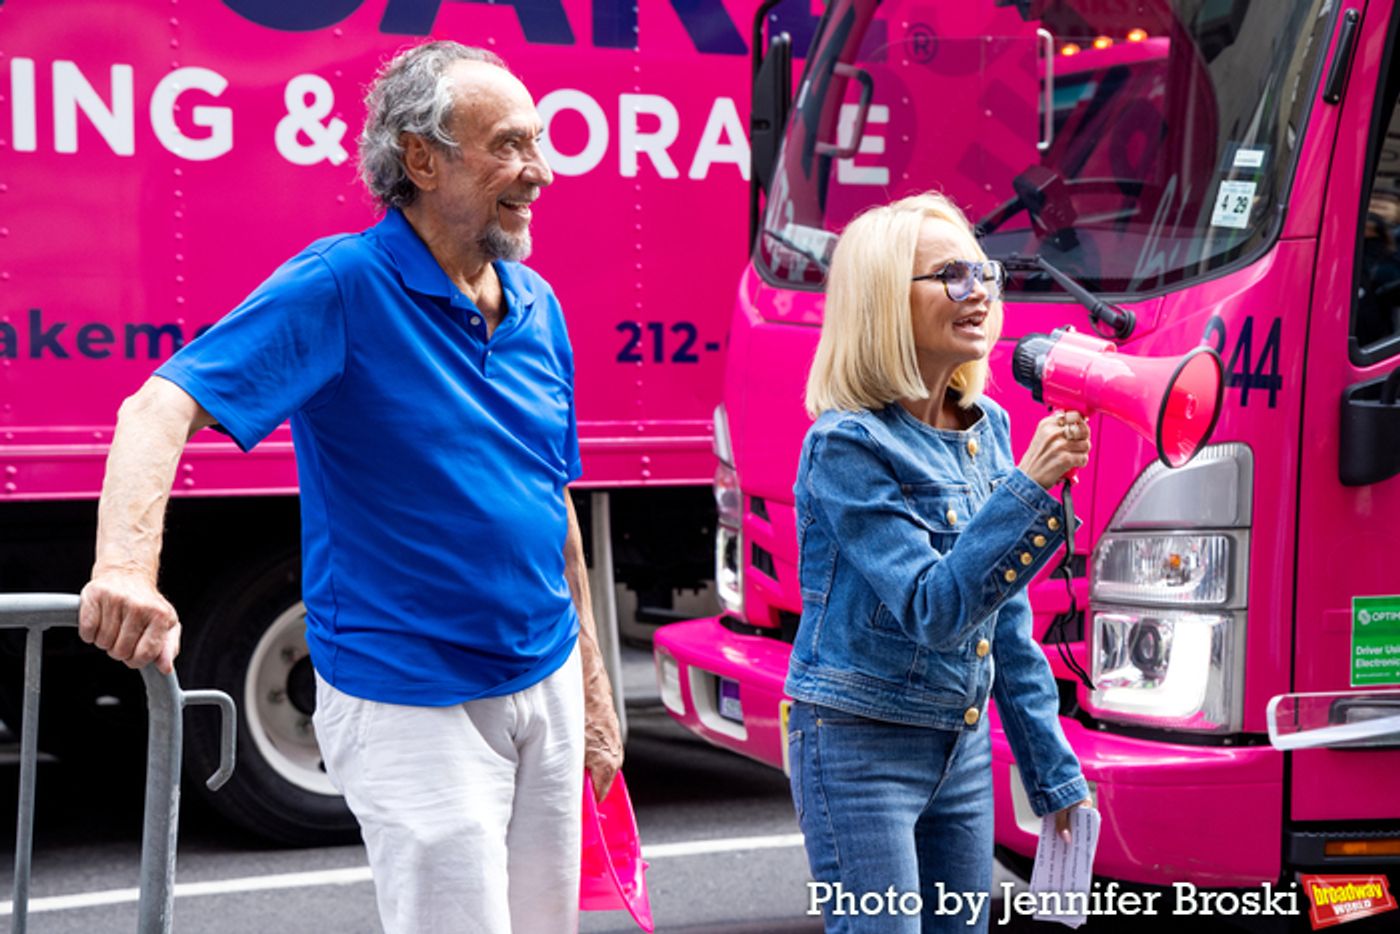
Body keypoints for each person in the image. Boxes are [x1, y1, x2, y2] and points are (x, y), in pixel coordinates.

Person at [77, 41, 622, 934]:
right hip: (411, 697)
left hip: (548, 679)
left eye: (541, 141)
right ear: (421, 158)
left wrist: (595, 691)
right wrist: (128, 570)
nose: (541, 170)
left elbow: (549, 500)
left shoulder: (535, 303)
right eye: (511, 145)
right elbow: (158, 406)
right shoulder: (342, 285)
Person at [784, 192, 1092, 934]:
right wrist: (1028, 490)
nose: (979, 290)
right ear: (886, 301)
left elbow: (1006, 625)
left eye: (983, 271)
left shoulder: (990, 428)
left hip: (959, 742)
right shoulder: (845, 445)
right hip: (857, 743)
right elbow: (932, 608)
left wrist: (1055, 775)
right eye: (950, 276)